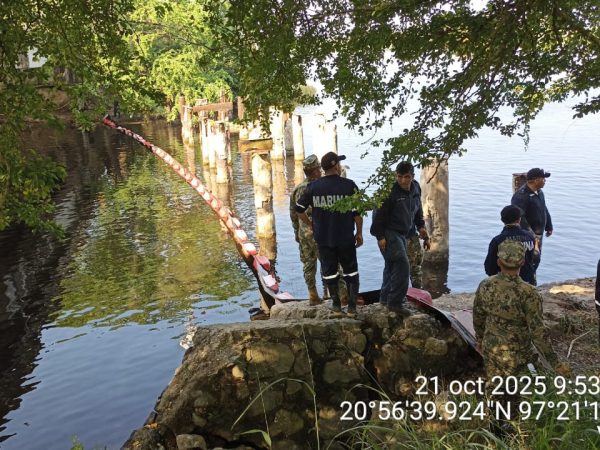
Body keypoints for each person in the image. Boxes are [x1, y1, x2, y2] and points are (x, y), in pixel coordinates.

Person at [474, 240, 566, 379]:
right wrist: (556, 363)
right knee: (532, 383)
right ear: (522, 262)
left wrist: (480, 339)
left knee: (496, 383)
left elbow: (478, 316)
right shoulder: (529, 293)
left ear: (499, 262)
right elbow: (538, 333)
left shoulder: (485, 285)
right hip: (519, 356)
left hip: (491, 349)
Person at [295, 152, 363, 315]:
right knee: (351, 272)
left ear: (323, 169)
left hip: (324, 239)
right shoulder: (349, 185)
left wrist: (311, 224)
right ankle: (352, 307)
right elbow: (357, 213)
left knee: (330, 272)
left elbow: (299, 209)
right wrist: (359, 233)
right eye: (339, 164)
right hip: (345, 237)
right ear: (336, 166)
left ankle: (336, 306)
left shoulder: (313, 187)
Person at [370, 161, 429, 313]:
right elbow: (378, 216)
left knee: (391, 265)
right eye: (400, 177)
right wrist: (380, 237)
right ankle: (395, 302)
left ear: (412, 176)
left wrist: (421, 226)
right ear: (396, 176)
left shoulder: (416, 188)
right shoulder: (389, 192)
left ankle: (385, 298)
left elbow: (417, 209)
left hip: (404, 232)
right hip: (389, 231)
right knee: (402, 265)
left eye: (407, 177)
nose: (403, 180)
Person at [289, 155, 348, 305]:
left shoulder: (297, 190)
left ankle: (313, 295)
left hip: (304, 234)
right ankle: (342, 294)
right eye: (319, 169)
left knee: (308, 264)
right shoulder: (321, 188)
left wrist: (297, 233)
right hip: (320, 233)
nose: (321, 171)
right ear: (315, 171)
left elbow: (294, 214)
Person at [511, 168, 553, 272]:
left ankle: (532, 279)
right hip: (526, 236)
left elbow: (544, 208)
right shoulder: (521, 196)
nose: (545, 181)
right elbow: (520, 218)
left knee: (536, 259)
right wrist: (532, 236)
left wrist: (549, 225)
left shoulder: (539, 192)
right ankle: (526, 280)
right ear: (535, 180)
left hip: (538, 234)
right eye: (543, 179)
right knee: (528, 260)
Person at [484, 205, 536, 285]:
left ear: (502, 220)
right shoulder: (530, 237)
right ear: (519, 219)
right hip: (526, 281)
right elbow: (532, 260)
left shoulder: (497, 240)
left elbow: (490, 267)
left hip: (504, 283)